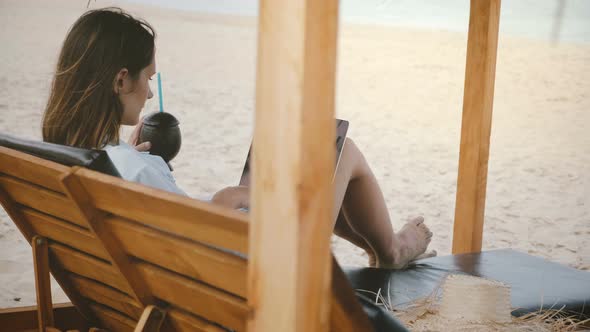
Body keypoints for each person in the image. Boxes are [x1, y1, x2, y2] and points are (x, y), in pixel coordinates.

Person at [42, 8, 434, 269]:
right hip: (259, 272)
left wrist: (128, 160)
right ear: (120, 79)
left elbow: (161, 228)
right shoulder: (125, 168)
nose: (148, 93)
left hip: (196, 269)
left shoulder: (73, 160)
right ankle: (392, 251)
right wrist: (227, 201)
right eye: (148, 78)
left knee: (292, 159)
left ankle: (376, 249)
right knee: (338, 148)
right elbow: (191, 239)